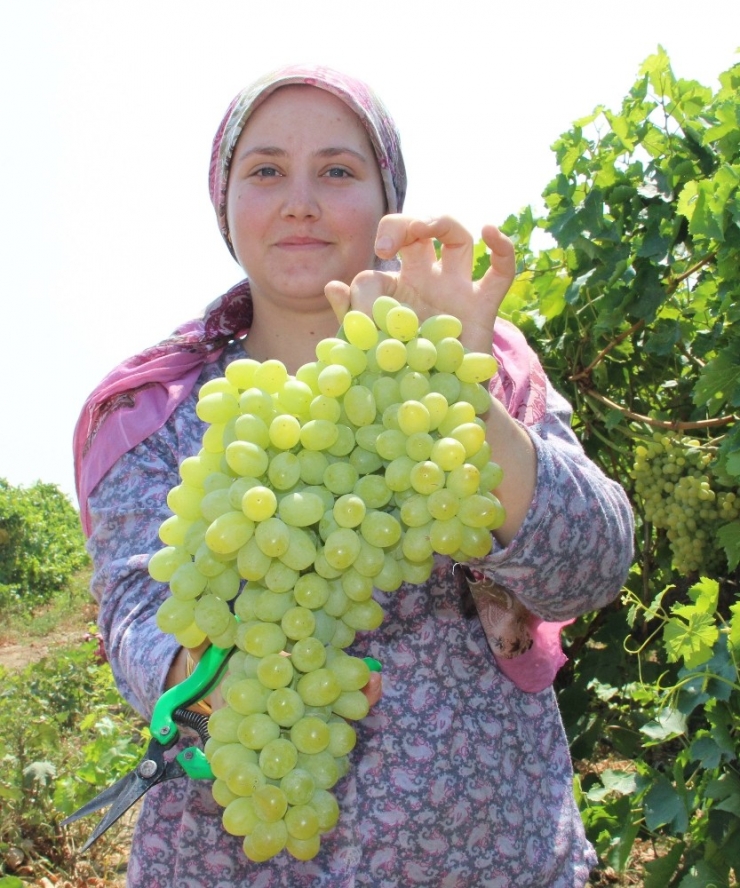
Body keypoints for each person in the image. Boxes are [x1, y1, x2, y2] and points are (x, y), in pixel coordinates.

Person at [73, 64, 634, 888]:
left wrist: (458, 396)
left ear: (386, 199)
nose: (300, 199)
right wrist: (213, 683)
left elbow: (592, 566)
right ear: (225, 203)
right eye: (265, 171)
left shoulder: (478, 357)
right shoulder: (154, 407)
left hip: (497, 859)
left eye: (337, 170)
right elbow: (136, 610)